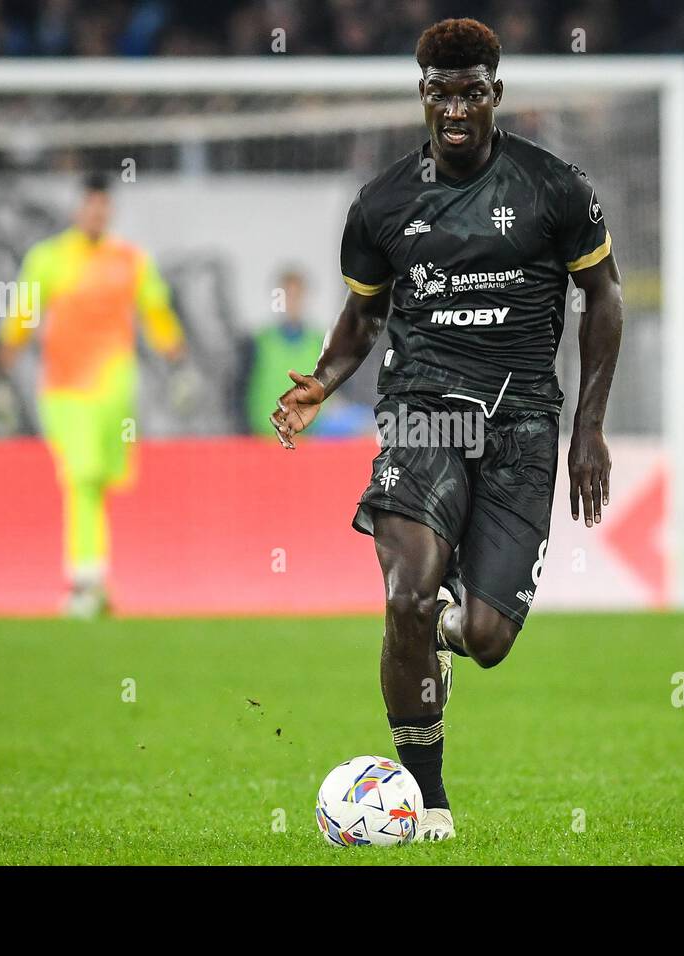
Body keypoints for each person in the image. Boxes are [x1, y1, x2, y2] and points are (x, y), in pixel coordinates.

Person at [270, 18, 623, 841]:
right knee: (406, 594)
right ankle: (427, 796)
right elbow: (365, 314)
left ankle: (450, 630)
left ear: (495, 93)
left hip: (523, 423)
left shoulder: (555, 188)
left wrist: (588, 428)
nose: (456, 108)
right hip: (422, 413)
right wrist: (323, 380)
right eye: (441, 93)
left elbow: (603, 297)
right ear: (423, 96)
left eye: (471, 92)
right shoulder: (384, 202)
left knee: (489, 639)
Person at [0, 173, 187, 617]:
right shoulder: (48, 259)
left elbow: (156, 313)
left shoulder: (129, 260)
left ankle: (96, 582)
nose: (96, 213)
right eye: (89, 205)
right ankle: (85, 582)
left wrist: (179, 364)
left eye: (103, 205)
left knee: (98, 484)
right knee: (81, 476)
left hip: (115, 394)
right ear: (77, 210)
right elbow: (22, 317)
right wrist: (1, 372)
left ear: (109, 211)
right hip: (65, 389)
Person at [245, 270, 325, 437]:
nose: (292, 302)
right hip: (264, 440)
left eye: (297, 295)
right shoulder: (259, 342)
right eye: (286, 295)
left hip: (310, 443)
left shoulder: (321, 344)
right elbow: (243, 390)